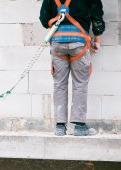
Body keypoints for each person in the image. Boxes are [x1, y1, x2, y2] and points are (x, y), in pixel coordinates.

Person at [39, 0, 105, 136]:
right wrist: (97, 40)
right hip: (79, 43)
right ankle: (78, 126)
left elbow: (44, 20)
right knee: (80, 83)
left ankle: (60, 126)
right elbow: (97, 17)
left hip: (57, 44)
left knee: (59, 84)